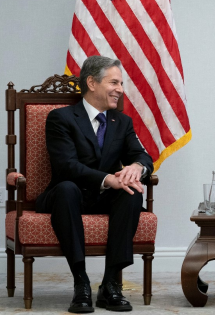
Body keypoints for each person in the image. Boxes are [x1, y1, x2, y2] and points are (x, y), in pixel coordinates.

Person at [34, 55, 153, 313]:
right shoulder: (61, 118)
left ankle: (110, 284)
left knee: (131, 192)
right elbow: (67, 165)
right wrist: (109, 178)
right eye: (114, 82)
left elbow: (142, 155)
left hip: (104, 197)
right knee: (66, 188)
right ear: (91, 82)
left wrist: (136, 167)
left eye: (121, 84)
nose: (120, 90)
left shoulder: (122, 122)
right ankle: (81, 283)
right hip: (68, 194)